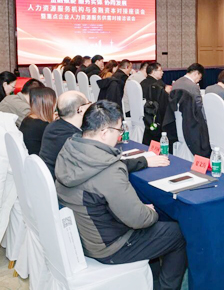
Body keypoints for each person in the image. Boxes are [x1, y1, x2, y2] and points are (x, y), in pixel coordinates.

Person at [54, 101, 187, 290]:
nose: (120, 135)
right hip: (109, 247)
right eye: (118, 130)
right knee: (177, 233)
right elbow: (139, 220)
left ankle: (153, 279)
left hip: (80, 236)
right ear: (104, 132)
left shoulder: (70, 149)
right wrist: (150, 211)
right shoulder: (108, 170)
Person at [39, 90, 90, 179]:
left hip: (47, 179)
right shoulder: (73, 139)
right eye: (88, 104)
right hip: (62, 184)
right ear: (80, 109)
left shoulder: (52, 126)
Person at [140, 62, 172, 145]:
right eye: (160, 70)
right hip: (156, 120)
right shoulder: (157, 85)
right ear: (153, 72)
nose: (162, 72)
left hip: (145, 118)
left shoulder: (142, 83)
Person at [20, 87, 57, 155]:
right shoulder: (44, 126)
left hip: (30, 158)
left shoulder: (27, 120)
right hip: (40, 159)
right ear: (49, 104)